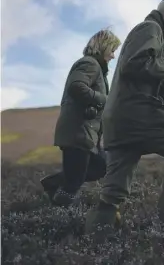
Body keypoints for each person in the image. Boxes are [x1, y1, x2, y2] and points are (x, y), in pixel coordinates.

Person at [84, 0, 164, 234]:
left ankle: (94, 243)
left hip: (120, 122)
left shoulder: (151, 34)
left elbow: (141, 72)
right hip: (138, 118)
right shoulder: (150, 28)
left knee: (113, 193)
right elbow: (135, 66)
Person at [40, 28, 121, 207]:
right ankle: (58, 214)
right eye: (112, 50)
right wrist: (104, 100)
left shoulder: (97, 68)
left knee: (101, 167)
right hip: (78, 132)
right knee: (73, 182)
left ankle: (53, 183)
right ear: (103, 46)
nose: (113, 55)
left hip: (87, 135)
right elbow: (76, 87)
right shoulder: (89, 64)